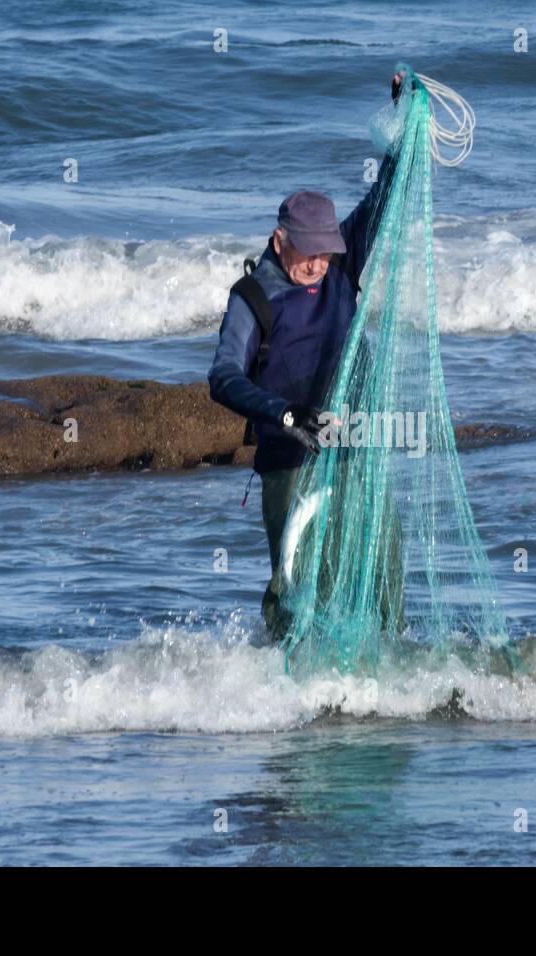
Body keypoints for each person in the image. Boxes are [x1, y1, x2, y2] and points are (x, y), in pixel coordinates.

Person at [208, 71, 405, 640]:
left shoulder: (343, 264)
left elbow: (385, 193)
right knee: (295, 585)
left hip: (352, 448)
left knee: (384, 568)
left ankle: (387, 672)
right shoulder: (253, 298)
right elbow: (222, 377)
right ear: (279, 241)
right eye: (308, 252)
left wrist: (403, 114)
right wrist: (290, 417)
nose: (319, 263)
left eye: (327, 252)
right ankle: (285, 683)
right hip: (289, 459)